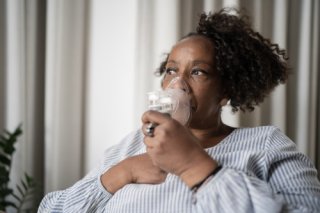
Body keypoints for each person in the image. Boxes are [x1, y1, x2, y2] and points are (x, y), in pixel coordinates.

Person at [38, 8, 320, 212]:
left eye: (198, 72)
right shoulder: (129, 147)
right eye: (171, 70)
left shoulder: (266, 146)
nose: (178, 83)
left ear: (226, 92)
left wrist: (194, 166)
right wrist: (120, 174)